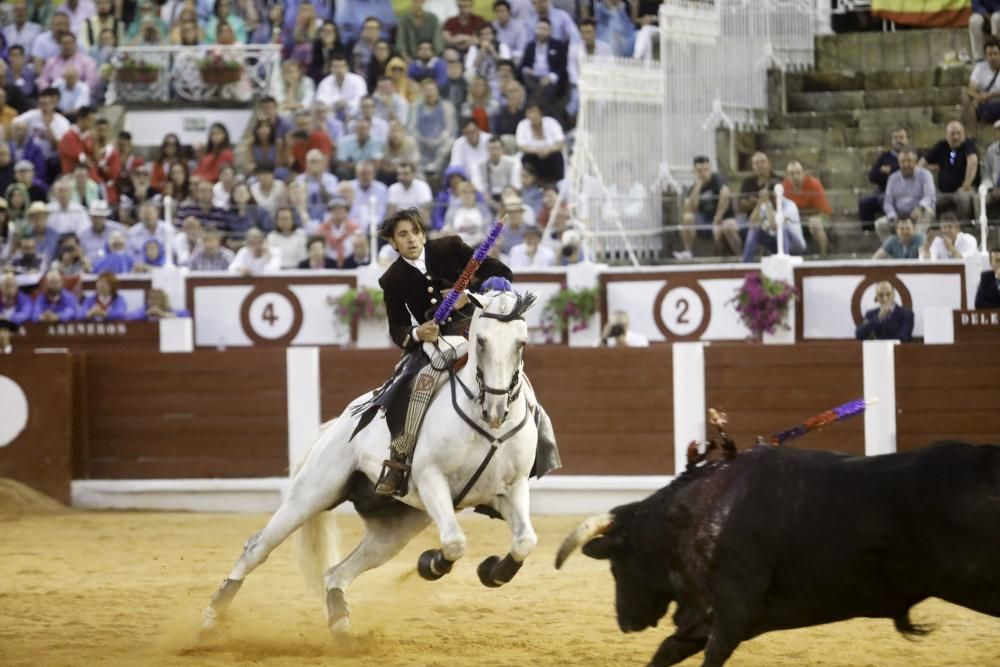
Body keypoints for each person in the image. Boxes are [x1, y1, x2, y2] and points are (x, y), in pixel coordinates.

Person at [371, 207, 513, 496]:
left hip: (475, 329)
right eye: (403, 235)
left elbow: (500, 271)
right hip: (434, 342)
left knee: (512, 366)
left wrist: (468, 294)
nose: (411, 239)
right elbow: (397, 328)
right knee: (411, 386)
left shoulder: (449, 247)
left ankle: (539, 443)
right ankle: (399, 462)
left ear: (423, 233)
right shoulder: (392, 279)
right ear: (392, 242)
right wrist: (416, 332)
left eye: (415, 232)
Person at [679, 155, 740, 260]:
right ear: (694, 171)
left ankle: (740, 256)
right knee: (687, 217)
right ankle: (688, 252)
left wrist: (718, 216)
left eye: (706, 169)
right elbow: (690, 209)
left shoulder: (717, 179)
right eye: (699, 170)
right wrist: (697, 187)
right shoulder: (693, 187)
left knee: (722, 228)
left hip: (723, 218)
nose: (703, 173)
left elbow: (725, 194)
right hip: (705, 220)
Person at [920, 121, 979, 222]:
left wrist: (966, 185)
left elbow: (973, 162)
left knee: (963, 198)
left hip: (964, 189)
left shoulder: (968, 144)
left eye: (959, 133)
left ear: (964, 134)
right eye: (952, 134)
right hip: (942, 191)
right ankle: (936, 229)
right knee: (929, 199)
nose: (956, 137)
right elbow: (921, 164)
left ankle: (962, 227)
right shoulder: (941, 145)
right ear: (946, 135)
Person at [876, 148, 936, 243]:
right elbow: (888, 202)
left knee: (927, 212)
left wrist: (920, 207)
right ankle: (894, 250)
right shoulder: (892, 178)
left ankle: (916, 246)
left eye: (909, 161)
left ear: (915, 162)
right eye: (903, 161)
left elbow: (929, 196)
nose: (906, 164)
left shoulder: (925, 175)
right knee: (880, 224)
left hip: (919, 213)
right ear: (899, 162)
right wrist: (893, 216)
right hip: (900, 216)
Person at [741, 185, 806, 262]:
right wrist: (759, 203)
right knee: (754, 230)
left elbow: (775, 226)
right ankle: (745, 264)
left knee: (783, 229)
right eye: (770, 197)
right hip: (776, 244)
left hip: (795, 245)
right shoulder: (766, 203)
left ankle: (783, 265)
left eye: (773, 196)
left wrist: (768, 206)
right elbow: (751, 223)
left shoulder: (790, 206)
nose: (772, 199)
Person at [859, 127, 908, 228]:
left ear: (907, 139)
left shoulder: (912, 154)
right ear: (892, 140)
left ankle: (895, 229)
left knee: (884, 199)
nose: (899, 140)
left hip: (905, 192)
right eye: (896, 138)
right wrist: (884, 174)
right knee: (864, 202)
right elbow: (872, 176)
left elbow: (907, 172)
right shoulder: (885, 156)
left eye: (901, 137)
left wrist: (890, 170)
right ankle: (868, 233)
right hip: (883, 190)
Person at [964, 39, 1000, 126]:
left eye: (995, 54)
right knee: (968, 103)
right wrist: (979, 97)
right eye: (990, 54)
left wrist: (990, 94)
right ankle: (972, 138)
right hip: (987, 105)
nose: (993, 57)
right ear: (985, 56)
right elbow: (970, 89)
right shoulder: (980, 67)